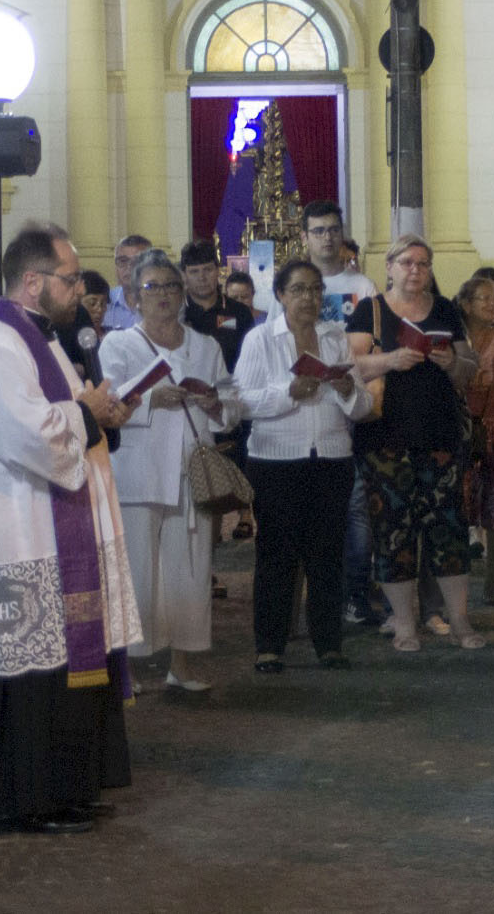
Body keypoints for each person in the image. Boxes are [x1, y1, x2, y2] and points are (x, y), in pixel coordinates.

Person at [0, 223, 142, 836]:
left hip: (58, 523)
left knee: (63, 670)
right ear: (32, 282)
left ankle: (68, 788)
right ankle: (28, 799)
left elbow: (67, 415)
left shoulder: (43, 338)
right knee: (32, 672)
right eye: (69, 278)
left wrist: (100, 410)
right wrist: (85, 413)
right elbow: (25, 433)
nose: (80, 288)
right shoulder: (0, 342)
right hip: (25, 530)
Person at [101, 250, 239, 691]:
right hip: (138, 470)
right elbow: (108, 403)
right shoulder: (118, 344)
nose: (163, 295)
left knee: (191, 569)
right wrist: (146, 403)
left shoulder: (205, 345)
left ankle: (183, 663)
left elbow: (232, 402)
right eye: (152, 287)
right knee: (135, 571)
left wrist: (217, 405)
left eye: (170, 286)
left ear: (183, 294)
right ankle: (126, 668)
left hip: (190, 468)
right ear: (134, 296)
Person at [346, 233, 483, 651]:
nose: (415, 271)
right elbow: (349, 366)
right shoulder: (369, 311)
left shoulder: (444, 309)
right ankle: (404, 623)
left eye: (423, 264)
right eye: (406, 262)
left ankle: (459, 620)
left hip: (439, 436)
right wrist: (390, 360)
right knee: (393, 532)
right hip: (385, 440)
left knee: (449, 530)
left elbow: (470, 368)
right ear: (388, 266)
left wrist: (453, 362)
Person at [235, 259, 373, 671]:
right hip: (276, 460)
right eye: (298, 289)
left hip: (330, 458)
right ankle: (270, 646)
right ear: (280, 294)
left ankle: (328, 643)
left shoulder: (335, 339)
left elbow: (363, 406)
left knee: (327, 555)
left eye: (315, 289)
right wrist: (287, 392)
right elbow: (241, 402)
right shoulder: (261, 340)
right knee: (276, 556)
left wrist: (348, 388)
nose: (308, 298)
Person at [277, 201, 383, 626]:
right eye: (318, 230)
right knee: (303, 520)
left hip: (346, 408)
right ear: (305, 236)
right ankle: (306, 605)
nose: (326, 237)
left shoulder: (363, 285)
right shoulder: (291, 282)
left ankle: (355, 595)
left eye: (333, 229)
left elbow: (371, 347)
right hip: (299, 414)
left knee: (355, 511)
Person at [180, 239, 257, 542]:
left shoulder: (238, 311)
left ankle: (245, 512)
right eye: (194, 271)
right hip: (189, 403)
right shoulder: (180, 314)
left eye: (207, 270)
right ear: (184, 276)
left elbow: (248, 356)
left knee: (239, 458)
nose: (201, 277)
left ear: (218, 272)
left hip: (229, 396)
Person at [457, 274, 494, 605]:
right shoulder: (455, 340)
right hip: (461, 430)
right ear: (466, 304)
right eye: (485, 298)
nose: (493, 304)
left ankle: (491, 585)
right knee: (458, 508)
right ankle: (456, 585)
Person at [105, 233, 153, 330]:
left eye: (137, 261)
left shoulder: (161, 301)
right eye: (123, 261)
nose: (129, 267)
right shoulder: (105, 302)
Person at [80, 270, 111, 336]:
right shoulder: (66, 338)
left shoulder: (111, 337)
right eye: (92, 303)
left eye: (103, 304)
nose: (99, 310)